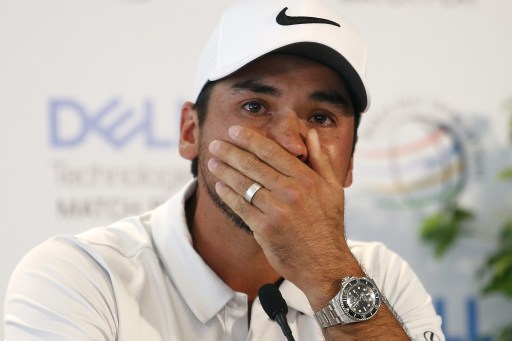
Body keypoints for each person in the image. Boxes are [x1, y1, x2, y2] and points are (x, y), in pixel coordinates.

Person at [4, 0, 445, 340]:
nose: (291, 143)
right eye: (254, 106)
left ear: (349, 161)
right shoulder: (81, 275)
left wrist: (327, 274)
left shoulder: (379, 277)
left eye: (321, 118)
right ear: (189, 132)